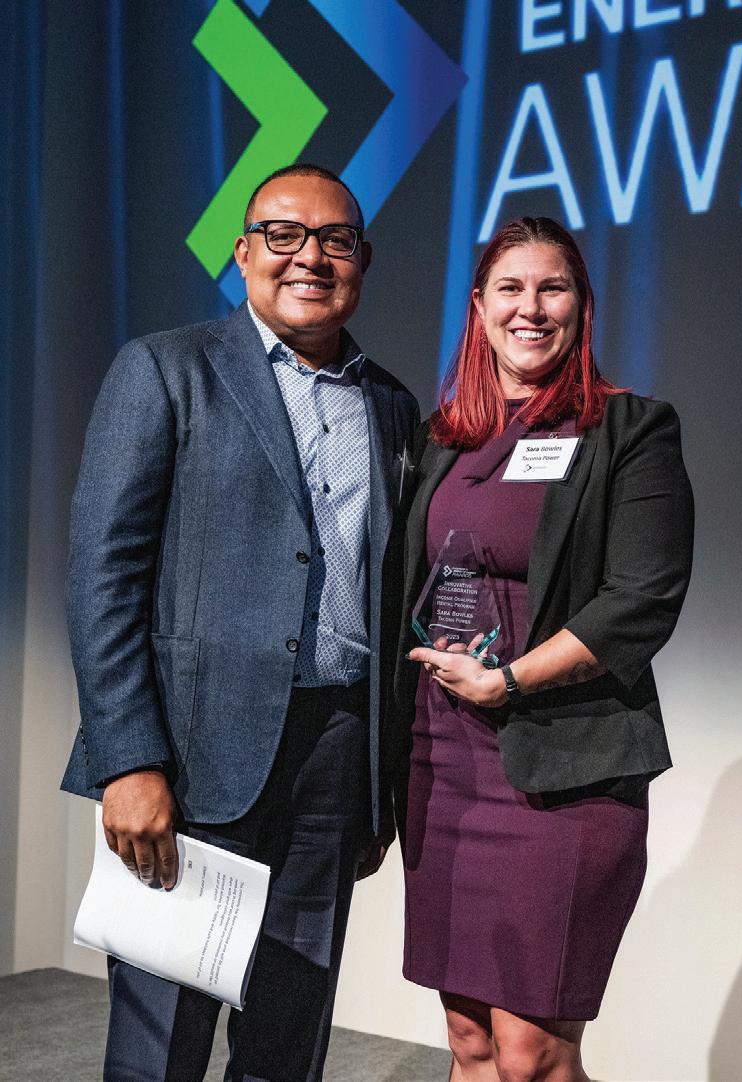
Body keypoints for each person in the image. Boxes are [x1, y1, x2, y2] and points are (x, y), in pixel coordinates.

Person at [61, 163, 419, 1082]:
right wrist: (127, 761)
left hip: (334, 761)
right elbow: (103, 575)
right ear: (243, 251)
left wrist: (380, 785)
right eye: (284, 235)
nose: (310, 258)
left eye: (336, 240)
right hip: (188, 762)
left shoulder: (391, 405)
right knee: (160, 1047)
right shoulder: (165, 369)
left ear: (363, 260)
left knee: (287, 1045)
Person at [392, 216, 694, 1082]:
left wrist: (511, 682)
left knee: (532, 1054)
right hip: (442, 764)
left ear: (581, 306)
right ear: (479, 308)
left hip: (566, 768)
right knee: (470, 1044)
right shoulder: (440, 440)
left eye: (552, 288)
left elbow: (641, 601)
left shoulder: (630, 431)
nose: (531, 308)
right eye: (511, 289)